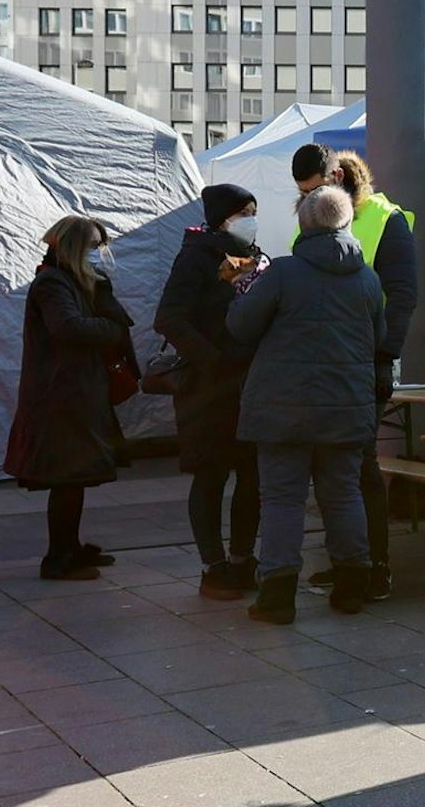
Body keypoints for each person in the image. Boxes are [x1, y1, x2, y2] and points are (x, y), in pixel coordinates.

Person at [228, 186, 387, 623]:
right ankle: (352, 587)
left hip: (284, 409)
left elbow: (240, 327)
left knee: (282, 499)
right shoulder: (368, 279)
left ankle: (278, 597)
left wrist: (239, 290)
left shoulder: (282, 273)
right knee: (344, 495)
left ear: (303, 224)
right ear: (347, 223)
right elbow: (379, 338)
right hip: (347, 408)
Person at [291, 144, 413, 601]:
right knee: (329, 468)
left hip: (363, 361)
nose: (308, 200)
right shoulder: (308, 219)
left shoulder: (385, 219)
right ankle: (347, 560)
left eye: (314, 190)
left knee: (360, 466)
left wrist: (384, 359)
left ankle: (375, 566)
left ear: (337, 176)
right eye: (303, 193)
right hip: (317, 364)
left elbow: (401, 297)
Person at [5, 216, 138, 582]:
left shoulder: (71, 280)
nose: (98, 253)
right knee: (67, 478)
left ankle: (70, 548)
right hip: (61, 395)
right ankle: (58, 557)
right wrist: (113, 328)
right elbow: (68, 327)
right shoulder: (52, 282)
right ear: (75, 247)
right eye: (93, 246)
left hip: (74, 391)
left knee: (75, 477)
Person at [156, 183, 266, 600]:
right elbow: (169, 318)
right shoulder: (196, 257)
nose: (252, 221)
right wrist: (212, 360)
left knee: (252, 476)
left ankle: (242, 559)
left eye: (254, 212)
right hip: (207, 388)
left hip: (249, 386)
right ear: (222, 219)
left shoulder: (256, 258)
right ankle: (213, 566)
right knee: (211, 476)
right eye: (244, 213)